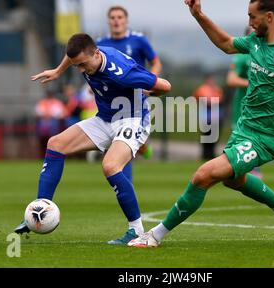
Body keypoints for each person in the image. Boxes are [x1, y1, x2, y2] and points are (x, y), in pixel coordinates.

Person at [128, 0, 274, 248]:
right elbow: (226, 43)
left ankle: (154, 236)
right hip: (243, 130)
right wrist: (199, 15)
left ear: (269, 17)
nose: (249, 22)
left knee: (203, 175)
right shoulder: (255, 42)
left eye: (252, 16)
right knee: (232, 179)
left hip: (265, 138)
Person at [14, 34, 171, 245]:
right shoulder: (89, 54)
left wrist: (146, 93)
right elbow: (73, 57)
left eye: (83, 64)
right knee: (55, 144)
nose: (80, 69)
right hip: (105, 119)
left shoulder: (122, 73)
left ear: (96, 54)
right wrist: (58, 71)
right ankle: (40, 209)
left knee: (110, 166)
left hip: (132, 119)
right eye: (77, 64)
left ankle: (137, 231)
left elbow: (165, 86)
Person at [97, 6, 162, 163]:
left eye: (119, 17)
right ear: (108, 21)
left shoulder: (138, 40)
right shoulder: (101, 43)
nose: (116, 20)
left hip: (135, 96)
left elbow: (155, 62)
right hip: (110, 98)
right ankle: (140, 148)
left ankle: (142, 147)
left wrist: (150, 82)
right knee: (119, 142)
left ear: (126, 20)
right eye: (113, 17)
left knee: (124, 142)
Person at [226, 26, 262, 178]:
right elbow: (231, 79)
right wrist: (250, 83)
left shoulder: (266, 55)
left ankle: (251, 171)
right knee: (241, 139)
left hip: (260, 108)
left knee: (257, 139)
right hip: (243, 106)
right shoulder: (242, 57)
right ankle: (243, 171)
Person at [193, 75, 223, 159]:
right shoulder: (202, 89)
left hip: (216, 117)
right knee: (206, 136)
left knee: (214, 137)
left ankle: (211, 154)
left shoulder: (217, 89)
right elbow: (204, 100)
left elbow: (220, 99)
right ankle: (205, 154)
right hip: (206, 117)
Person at [35, 91, 68, 157]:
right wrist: (46, 115)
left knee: (53, 125)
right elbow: (38, 112)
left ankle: (52, 140)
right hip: (44, 120)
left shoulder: (57, 102)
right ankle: (44, 140)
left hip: (54, 120)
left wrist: (51, 115)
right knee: (42, 125)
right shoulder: (42, 102)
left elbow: (61, 113)